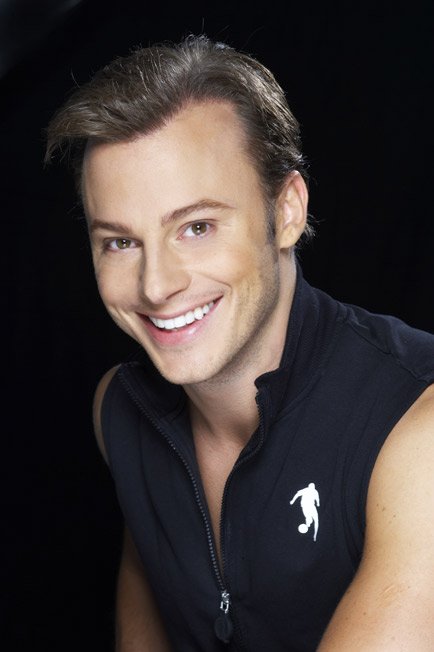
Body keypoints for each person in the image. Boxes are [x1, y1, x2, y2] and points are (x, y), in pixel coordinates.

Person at [45, 35, 434, 651]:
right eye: (120, 242)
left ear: (287, 212)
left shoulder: (419, 430)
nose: (156, 285)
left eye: (197, 227)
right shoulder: (117, 413)